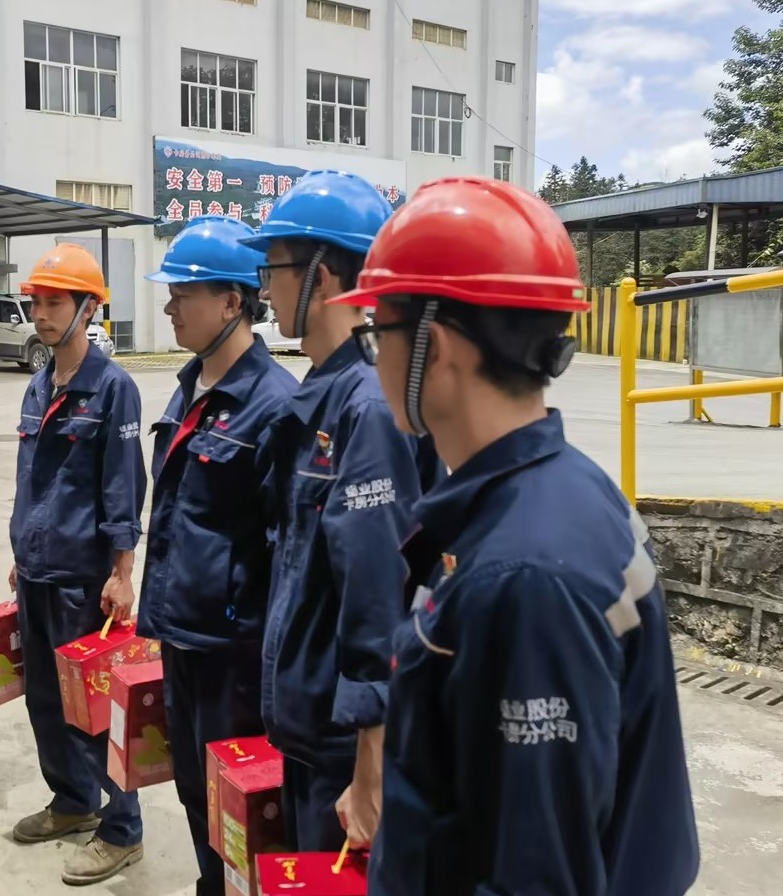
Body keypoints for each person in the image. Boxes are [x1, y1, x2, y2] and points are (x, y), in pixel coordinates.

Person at [332, 176, 700, 895]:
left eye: (378, 333)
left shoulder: (522, 575)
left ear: (436, 347)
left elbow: (535, 875)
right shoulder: (565, 489)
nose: (375, 361)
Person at [237, 171, 442, 853]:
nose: (266, 290)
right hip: (312, 722)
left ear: (321, 278)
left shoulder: (366, 406)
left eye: (273, 271)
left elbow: (376, 590)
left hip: (343, 741)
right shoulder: (325, 393)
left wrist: (370, 757)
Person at [135, 216, 296, 895]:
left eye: (183, 294)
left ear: (233, 302)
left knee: (243, 809)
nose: (169, 307)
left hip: (235, 655)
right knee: (196, 793)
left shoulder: (276, 406)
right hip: (181, 637)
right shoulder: (189, 388)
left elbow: (287, 550)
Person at [7, 243, 147, 886]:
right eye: (36, 302)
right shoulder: (38, 384)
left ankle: (123, 828)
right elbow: (29, 481)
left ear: (90, 308)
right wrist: (21, 554)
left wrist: (122, 571)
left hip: (85, 579)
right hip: (37, 570)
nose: (41, 313)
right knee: (44, 701)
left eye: (55, 302)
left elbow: (124, 484)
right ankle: (72, 801)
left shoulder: (113, 387)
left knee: (95, 711)